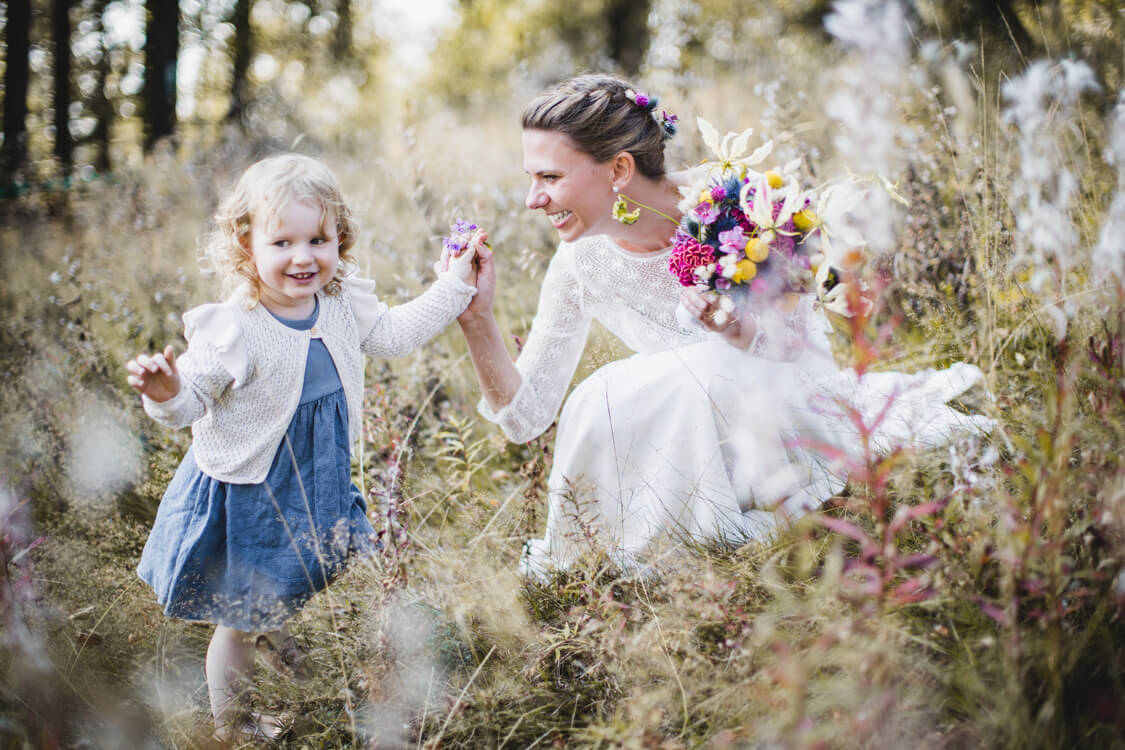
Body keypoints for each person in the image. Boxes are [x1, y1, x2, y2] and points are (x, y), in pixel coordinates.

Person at [449, 74, 992, 579]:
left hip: (786, 418)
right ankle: (632, 548)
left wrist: (740, 333)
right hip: (695, 448)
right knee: (610, 393)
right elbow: (525, 419)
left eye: (550, 177)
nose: (532, 199)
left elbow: (806, 351)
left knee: (641, 381)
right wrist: (477, 321)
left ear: (618, 170)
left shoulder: (737, 202)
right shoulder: (579, 265)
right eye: (531, 178)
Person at [126, 153, 483, 742]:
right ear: (246, 246)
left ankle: (294, 654)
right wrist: (164, 392)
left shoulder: (341, 305)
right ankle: (232, 728)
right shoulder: (233, 328)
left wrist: (453, 286)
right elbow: (187, 402)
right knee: (239, 619)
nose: (303, 256)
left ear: (340, 238)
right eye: (282, 241)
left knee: (317, 578)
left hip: (317, 478)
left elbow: (395, 335)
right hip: (251, 491)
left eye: (318, 238)